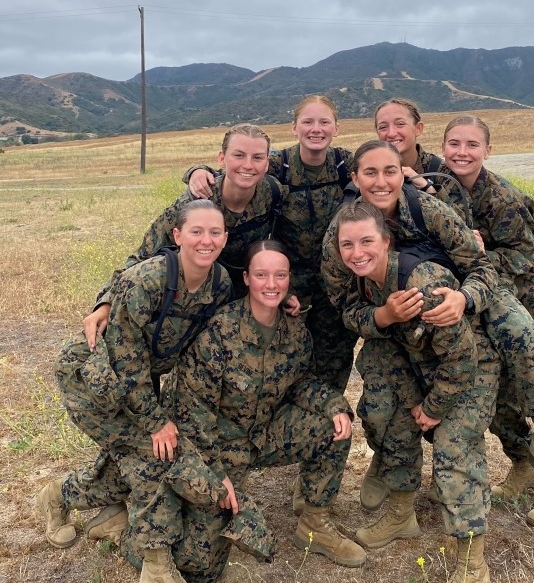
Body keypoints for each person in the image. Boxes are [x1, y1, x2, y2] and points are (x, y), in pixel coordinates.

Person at [39, 200, 232, 583]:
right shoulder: (145, 280)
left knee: (143, 452)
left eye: (215, 232)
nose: (206, 240)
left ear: (226, 238)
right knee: (153, 454)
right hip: (92, 380)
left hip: (137, 384)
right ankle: (156, 565)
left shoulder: (220, 284)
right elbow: (126, 360)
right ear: (177, 236)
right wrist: (157, 420)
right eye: (196, 231)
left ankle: (64, 495)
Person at [165, 240, 366, 580]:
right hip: (218, 447)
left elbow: (302, 381)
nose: (271, 284)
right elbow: (193, 417)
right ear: (246, 278)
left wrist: (334, 405)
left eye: (279, 275)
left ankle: (314, 524)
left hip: (264, 433)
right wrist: (215, 475)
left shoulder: (295, 332)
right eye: (261, 275)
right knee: (198, 565)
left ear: (289, 280)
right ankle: (133, 531)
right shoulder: (219, 333)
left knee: (334, 428)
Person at [436, 114, 534, 526]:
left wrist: (481, 254)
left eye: (472, 145)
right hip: (491, 305)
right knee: (502, 392)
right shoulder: (442, 188)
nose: (461, 153)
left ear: (488, 150)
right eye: (454, 144)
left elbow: (526, 259)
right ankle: (524, 466)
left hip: (533, 305)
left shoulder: (502, 198)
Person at [333, 199, 499, 583]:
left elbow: (462, 356)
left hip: (468, 372)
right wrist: (385, 316)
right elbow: (351, 315)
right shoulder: (362, 278)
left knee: (454, 449)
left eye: (366, 242)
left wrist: (435, 407)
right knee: (383, 413)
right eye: (347, 245)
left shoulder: (423, 282)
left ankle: (471, 562)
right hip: (414, 362)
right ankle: (402, 511)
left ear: (387, 241)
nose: (357, 253)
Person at [187, 96, 358, 396]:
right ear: (294, 127)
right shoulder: (280, 165)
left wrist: (411, 174)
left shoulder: (345, 163)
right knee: (282, 358)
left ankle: (327, 419)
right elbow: (242, 168)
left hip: (335, 284)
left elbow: (383, 169)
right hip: (286, 284)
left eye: (324, 122)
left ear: (337, 128)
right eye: (307, 121)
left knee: (334, 361)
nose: (315, 129)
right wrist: (196, 171)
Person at [83, 123, 294, 351]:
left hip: (249, 296)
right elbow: (142, 257)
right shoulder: (192, 205)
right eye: (239, 155)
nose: (248, 165)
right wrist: (105, 303)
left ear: (266, 164)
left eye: (257, 158)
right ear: (221, 159)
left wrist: (287, 292)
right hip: (199, 300)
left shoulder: (273, 194)